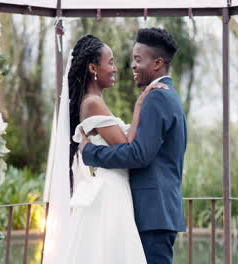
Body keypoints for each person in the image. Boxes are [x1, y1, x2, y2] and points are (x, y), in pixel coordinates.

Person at [79, 28, 187, 264]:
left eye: (138, 60)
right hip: (154, 212)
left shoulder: (158, 97)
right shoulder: (164, 95)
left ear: (157, 63)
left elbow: (138, 154)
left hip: (153, 213)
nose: (132, 66)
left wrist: (89, 152)